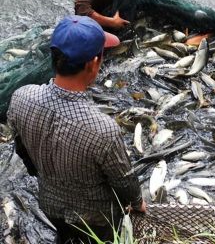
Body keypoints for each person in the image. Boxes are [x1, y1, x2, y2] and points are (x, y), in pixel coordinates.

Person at [7, 15, 146, 243]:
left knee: (65, 235)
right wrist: (138, 203)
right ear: (93, 63)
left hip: (49, 203)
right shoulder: (103, 130)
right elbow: (124, 181)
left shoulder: (22, 97)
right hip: (96, 218)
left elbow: (21, 146)